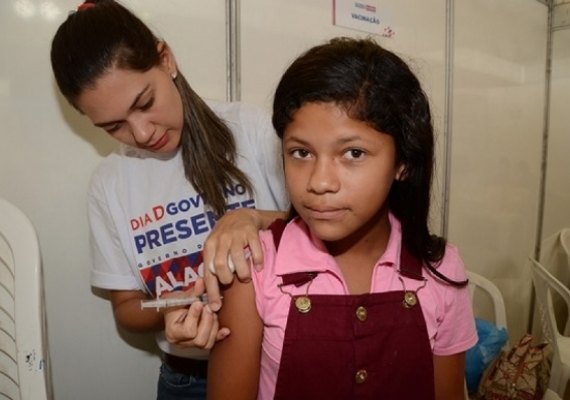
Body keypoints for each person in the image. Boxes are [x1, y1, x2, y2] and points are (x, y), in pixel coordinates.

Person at [206, 37, 478, 400]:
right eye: (300, 152)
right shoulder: (254, 267)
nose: (319, 182)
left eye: (353, 153)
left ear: (402, 162)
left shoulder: (441, 269)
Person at [50, 1, 287, 399]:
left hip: (277, 364)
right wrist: (169, 311)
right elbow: (126, 307)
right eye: (113, 126)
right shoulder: (109, 184)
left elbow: (330, 237)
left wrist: (255, 218)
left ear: (166, 59)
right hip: (185, 381)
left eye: (144, 103)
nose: (141, 133)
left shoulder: (251, 130)